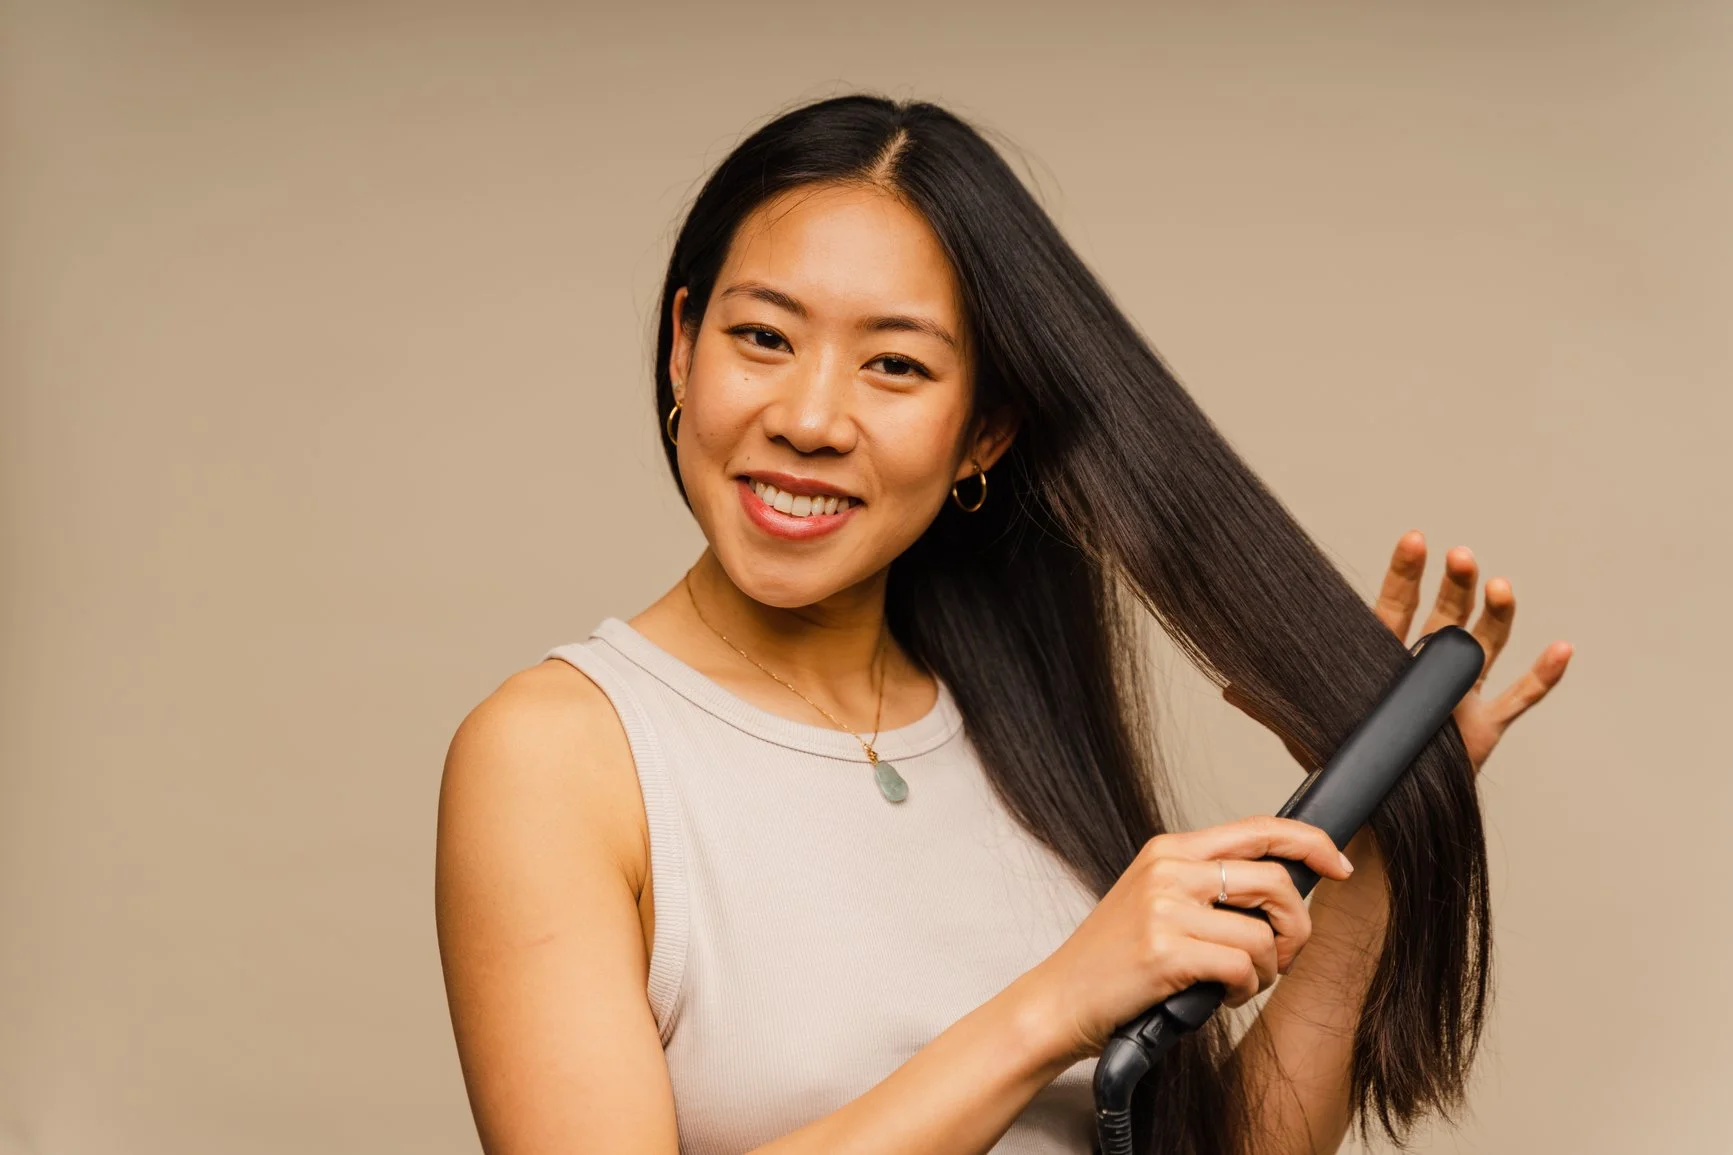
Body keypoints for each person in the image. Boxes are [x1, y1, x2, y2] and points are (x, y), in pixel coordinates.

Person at [434, 94, 1572, 1155]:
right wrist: (1053, 1005)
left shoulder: (1018, 722)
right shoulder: (555, 753)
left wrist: (1370, 845)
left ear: (981, 434)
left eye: (894, 365)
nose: (810, 418)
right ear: (684, 345)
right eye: (763, 338)